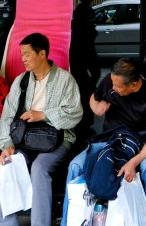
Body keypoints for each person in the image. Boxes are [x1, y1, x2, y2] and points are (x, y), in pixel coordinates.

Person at [61, 58, 146, 225]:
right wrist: (96, 107)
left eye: (118, 86)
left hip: (140, 147)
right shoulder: (110, 80)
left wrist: (133, 162)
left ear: (134, 84)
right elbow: (94, 98)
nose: (113, 89)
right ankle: (66, 222)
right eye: (112, 84)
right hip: (109, 142)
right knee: (75, 165)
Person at [0, 33, 83, 226]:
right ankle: (8, 222)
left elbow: (75, 114)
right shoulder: (22, 80)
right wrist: (8, 144)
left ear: (42, 54)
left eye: (27, 54)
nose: (23, 59)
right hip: (25, 139)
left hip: (58, 139)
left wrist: (43, 115)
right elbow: (7, 116)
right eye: (22, 54)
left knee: (39, 168)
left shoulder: (65, 79)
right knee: (5, 163)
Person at [70, 0, 101, 148]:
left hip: (87, 50)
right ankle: (85, 111)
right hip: (82, 51)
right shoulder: (81, 12)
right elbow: (81, 32)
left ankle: (87, 108)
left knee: (94, 75)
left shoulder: (89, 12)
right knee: (87, 79)